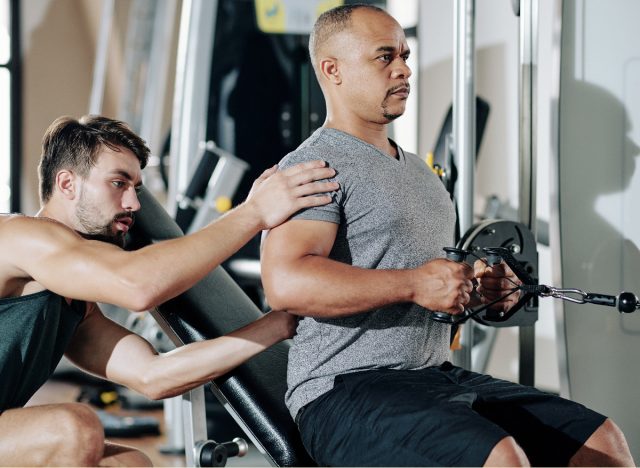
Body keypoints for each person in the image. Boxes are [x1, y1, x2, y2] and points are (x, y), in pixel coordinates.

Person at [260, 4, 634, 467]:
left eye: (405, 55)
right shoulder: (314, 166)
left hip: (433, 375)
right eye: (384, 57)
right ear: (332, 70)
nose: (404, 69)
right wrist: (416, 284)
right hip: (344, 387)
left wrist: (477, 291)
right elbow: (286, 284)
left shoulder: (416, 169)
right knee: (501, 460)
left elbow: (427, 283)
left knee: (600, 443)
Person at [0, 114, 339, 466]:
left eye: (135, 187)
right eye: (118, 183)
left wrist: (277, 325)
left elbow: (153, 375)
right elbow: (139, 286)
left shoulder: (74, 306)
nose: (133, 204)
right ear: (67, 184)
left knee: (131, 463)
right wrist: (254, 213)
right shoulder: (21, 236)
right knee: (73, 428)